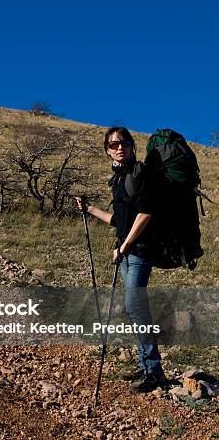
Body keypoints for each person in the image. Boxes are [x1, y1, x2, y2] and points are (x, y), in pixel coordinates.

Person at [76, 126, 167, 393]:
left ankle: (155, 373)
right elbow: (120, 221)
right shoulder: (118, 180)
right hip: (127, 251)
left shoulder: (140, 175)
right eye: (114, 145)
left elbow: (146, 214)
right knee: (133, 309)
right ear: (107, 150)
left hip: (139, 251)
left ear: (131, 146)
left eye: (124, 143)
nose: (119, 148)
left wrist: (125, 246)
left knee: (136, 307)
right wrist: (90, 209)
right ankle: (147, 364)